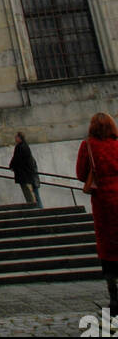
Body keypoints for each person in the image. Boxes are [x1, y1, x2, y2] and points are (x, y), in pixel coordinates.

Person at [75, 112, 118, 323]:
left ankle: (114, 298)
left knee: (108, 250)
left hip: (103, 203)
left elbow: (81, 174)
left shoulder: (88, 146)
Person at [9, 131, 43, 208]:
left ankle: (36, 209)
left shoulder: (20, 147)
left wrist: (12, 166)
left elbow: (17, 159)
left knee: (30, 195)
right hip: (29, 175)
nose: (15, 138)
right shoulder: (25, 146)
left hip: (25, 176)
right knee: (34, 194)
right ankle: (39, 208)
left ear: (19, 138)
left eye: (16, 137)